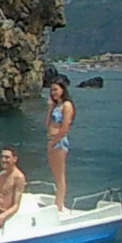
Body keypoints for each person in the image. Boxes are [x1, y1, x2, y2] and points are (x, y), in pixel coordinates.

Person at [45, 78, 75, 212]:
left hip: (59, 141)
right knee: (55, 173)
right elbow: (47, 123)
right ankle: (58, 201)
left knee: (60, 175)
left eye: (56, 89)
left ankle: (60, 204)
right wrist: (50, 107)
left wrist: (54, 141)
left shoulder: (67, 105)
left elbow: (65, 127)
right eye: (52, 90)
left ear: (63, 90)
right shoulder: (56, 106)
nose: (53, 92)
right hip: (52, 140)